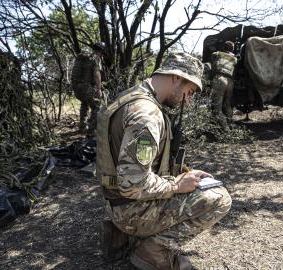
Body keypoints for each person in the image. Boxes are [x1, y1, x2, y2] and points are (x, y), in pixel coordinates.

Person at [96, 52, 232, 270]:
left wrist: (182, 174)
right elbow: (133, 185)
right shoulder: (147, 116)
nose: (187, 99)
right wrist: (177, 185)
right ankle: (153, 250)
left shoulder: (130, 96)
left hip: (117, 203)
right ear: (176, 78)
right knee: (220, 198)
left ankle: (125, 235)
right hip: (131, 208)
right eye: (189, 91)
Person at [71, 42, 105, 134]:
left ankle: (82, 127)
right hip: (86, 86)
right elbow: (96, 74)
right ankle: (92, 130)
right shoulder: (95, 58)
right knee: (97, 106)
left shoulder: (81, 57)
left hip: (76, 87)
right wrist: (98, 89)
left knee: (85, 103)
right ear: (101, 51)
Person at [210, 41, 237, 130]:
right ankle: (231, 125)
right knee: (227, 105)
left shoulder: (216, 54)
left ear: (223, 47)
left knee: (216, 107)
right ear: (232, 49)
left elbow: (213, 63)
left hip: (220, 79)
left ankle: (226, 129)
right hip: (230, 81)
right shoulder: (234, 58)